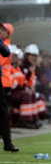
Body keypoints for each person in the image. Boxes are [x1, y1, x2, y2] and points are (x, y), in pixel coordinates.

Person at [0, 23, 18, 152]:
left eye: (3, 30)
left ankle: (7, 142)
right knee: (2, 112)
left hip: (4, 82)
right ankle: (7, 142)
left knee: (3, 112)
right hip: (4, 81)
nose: (1, 31)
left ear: (8, 34)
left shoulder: (5, 45)